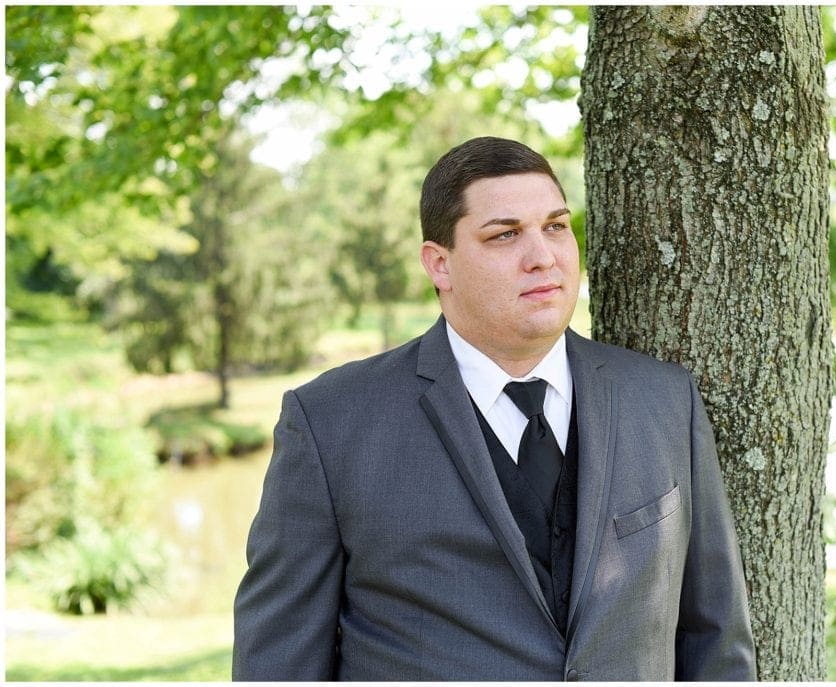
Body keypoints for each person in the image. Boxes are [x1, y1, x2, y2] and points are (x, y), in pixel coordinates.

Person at [232, 136, 756, 681]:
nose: (543, 257)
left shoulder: (665, 400)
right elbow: (278, 662)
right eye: (505, 235)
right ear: (440, 265)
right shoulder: (330, 423)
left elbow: (715, 637)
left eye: (555, 227)